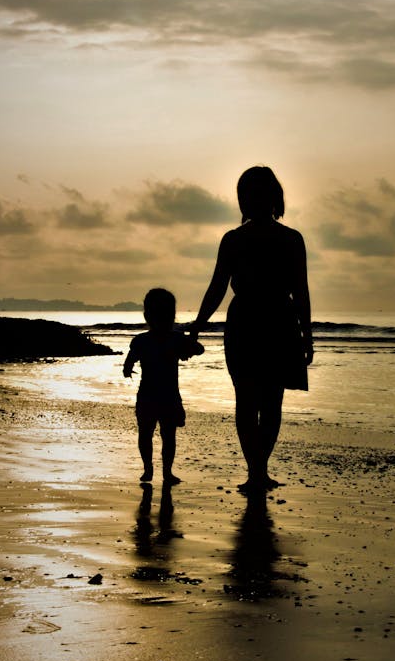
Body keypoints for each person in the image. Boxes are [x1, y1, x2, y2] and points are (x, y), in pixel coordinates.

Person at [188, 166, 313, 494]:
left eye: (259, 194)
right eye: (249, 194)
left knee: (266, 402)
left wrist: (307, 336)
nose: (253, 200)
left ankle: (258, 470)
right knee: (255, 401)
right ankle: (257, 471)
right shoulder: (238, 240)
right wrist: (197, 327)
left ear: (273, 198)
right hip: (256, 323)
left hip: (268, 323)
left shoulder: (287, 239)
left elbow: (301, 291)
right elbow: (217, 287)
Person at [123, 288, 204, 487]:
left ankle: (150, 468)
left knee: (147, 434)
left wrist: (127, 369)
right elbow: (199, 349)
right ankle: (164, 471)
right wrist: (190, 345)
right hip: (166, 396)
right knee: (167, 436)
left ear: (146, 316)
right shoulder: (175, 339)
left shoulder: (142, 340)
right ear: (173, 316)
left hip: (149, 395)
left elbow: (129, 361)